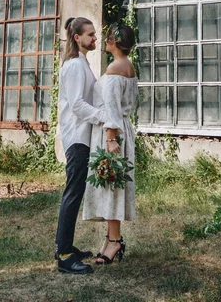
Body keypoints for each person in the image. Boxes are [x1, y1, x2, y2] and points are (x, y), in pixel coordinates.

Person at [82, 23, 138, 265]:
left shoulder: (115, 68)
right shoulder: (127, 65)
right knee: (109, 186)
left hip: (112, 133)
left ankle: (115, 242)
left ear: (116, 42)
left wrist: (111, 138)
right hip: (118, 129)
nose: (105, 40)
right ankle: (110, 238)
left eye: (108, 37)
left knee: (110, 185)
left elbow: (113, 107)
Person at [55, 16, 106, 275]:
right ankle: (64, 255)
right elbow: (76, 104)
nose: (95, 39)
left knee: (75, 192)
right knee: (72, 193)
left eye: (95, 35)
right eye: (91, 35)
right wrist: (102, 117)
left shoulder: (81, 63)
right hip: (76, 137)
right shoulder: (75, 65)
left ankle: (66, 246)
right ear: (77, 38)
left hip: (82, 136)